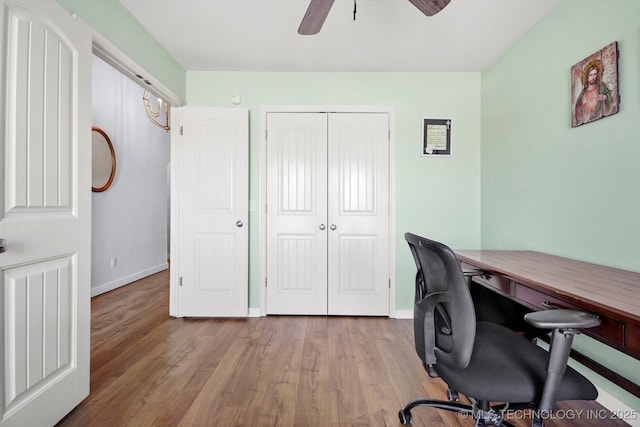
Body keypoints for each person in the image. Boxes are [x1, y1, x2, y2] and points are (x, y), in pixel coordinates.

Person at [574, 59, 613, 125]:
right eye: (591, 75)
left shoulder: (601, 86)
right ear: (587, 77)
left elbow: (610, 96)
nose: (593, 77)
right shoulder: (583, 92)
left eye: (595, 74)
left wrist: (605, 97)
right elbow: (578, 107)